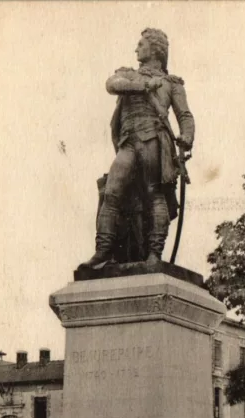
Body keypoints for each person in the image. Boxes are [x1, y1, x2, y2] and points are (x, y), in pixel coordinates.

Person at [82, 28, 195, 268]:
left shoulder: (170, 83)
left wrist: (186, 137)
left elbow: (184, 115)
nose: (136, 48)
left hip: (153, 139)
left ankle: (154, 253)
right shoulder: (127, 75)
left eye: (141, 44)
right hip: (127, 141)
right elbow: (112, 84)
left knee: (154, 193)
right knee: (111, 192)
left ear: (155, 49)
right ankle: (102, 251)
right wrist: (144, 86)